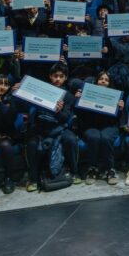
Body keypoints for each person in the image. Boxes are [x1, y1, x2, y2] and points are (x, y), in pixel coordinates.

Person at [22, 63, 80, 191]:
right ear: (50, 77)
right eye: (55, 76)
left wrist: (58, 111)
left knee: (71, 140)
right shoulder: (42, 91)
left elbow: (65, 118)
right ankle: (33, 179)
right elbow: (32, 111)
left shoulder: (68, 96)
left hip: (60, 127)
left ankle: (74, 172)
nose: (58, 79)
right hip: (41, 128)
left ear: (65, 78)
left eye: (61, 76)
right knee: (31, 144)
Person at [74, 71, 124, 185]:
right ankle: (93, 169)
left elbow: (118, 118)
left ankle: (110, 169)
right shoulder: (87, 93)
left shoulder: (114, 96)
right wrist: (78, 100)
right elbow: (78, 113)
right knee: (94, 137)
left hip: (109, 126)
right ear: (96, 81)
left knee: (106, 138)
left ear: (109, 83)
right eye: (101, 79)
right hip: (91, 125)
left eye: (106, 80)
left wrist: (120, 109)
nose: (103, 81)